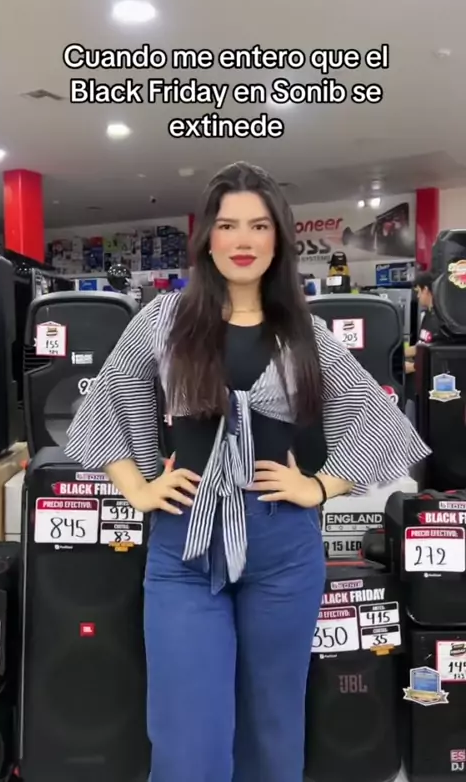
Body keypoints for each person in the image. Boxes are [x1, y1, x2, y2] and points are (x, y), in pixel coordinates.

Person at [65, 161, 431, 782]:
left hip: (283, 552)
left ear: (278, 238)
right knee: (189, 742)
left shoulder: (309, 334)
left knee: (272, 729)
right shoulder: (164, 321)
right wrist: (138, 488)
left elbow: (379, 420)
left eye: (259, 226)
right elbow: (109, 400)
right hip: (184, 551)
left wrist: (319, 485)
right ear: (207, 237)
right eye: (228, 224)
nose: (243, 240)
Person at [405, 270, 440, 374]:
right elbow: (421, 346)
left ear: (426, 289)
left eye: (418, 291)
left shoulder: (440, 320)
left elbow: (436, 354)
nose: (418, 296)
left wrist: (412, 367)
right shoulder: (428, 315)